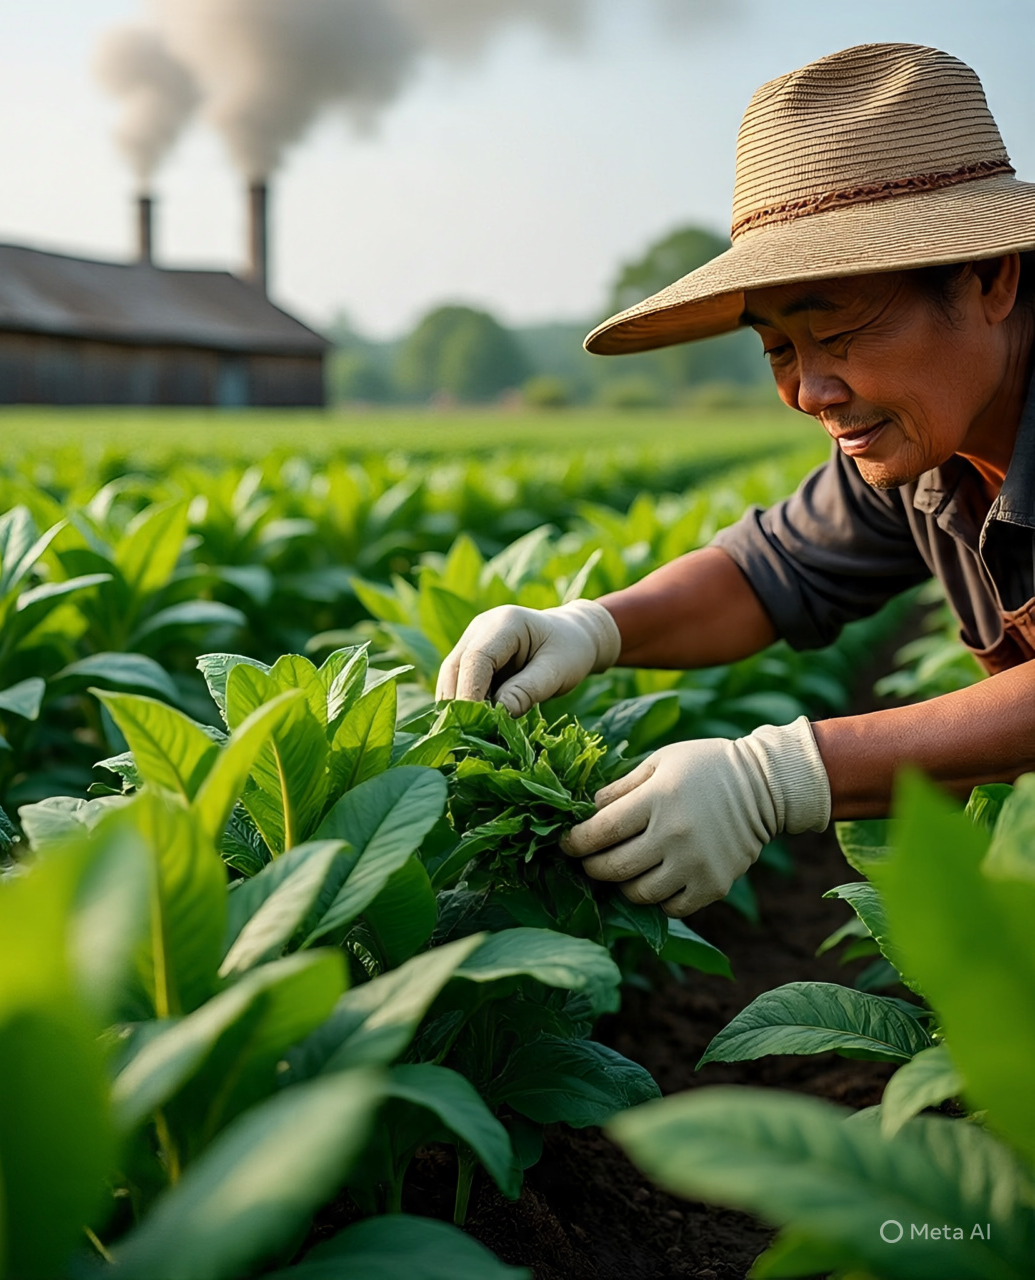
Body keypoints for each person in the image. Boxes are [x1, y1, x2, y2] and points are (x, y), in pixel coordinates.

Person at [437, 43, 1035, 918]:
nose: (809, 391)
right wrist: (592, 627)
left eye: (837, 334)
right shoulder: (923, 439)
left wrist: (779, 775)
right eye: (779, 349)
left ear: (991, 278)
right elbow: (774, 570)